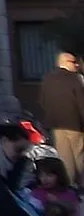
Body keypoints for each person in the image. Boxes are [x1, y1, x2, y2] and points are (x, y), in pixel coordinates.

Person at [42, 50, 84, 191]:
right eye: (73, 62)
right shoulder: (75, 79)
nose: (76, 65)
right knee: (79, 156)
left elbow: (42, 101)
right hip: (75, 124)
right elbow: (81, 102)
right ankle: (82, 185)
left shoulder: (47, 78)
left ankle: (70, 185)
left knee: (64, 157)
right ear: (65, 62)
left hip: (56, 124)